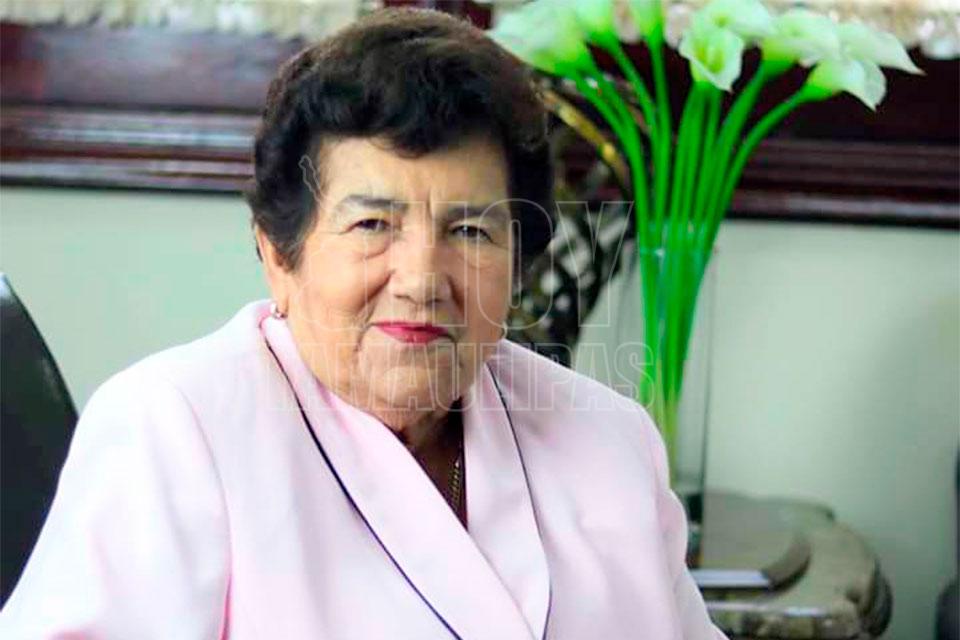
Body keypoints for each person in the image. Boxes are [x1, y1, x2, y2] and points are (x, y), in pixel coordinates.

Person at [0, 7, 726, 639]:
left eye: (471, 231)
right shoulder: (174, 428)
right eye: (374, 224)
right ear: (277, 254)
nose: (421, 280)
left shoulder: (609, 440)